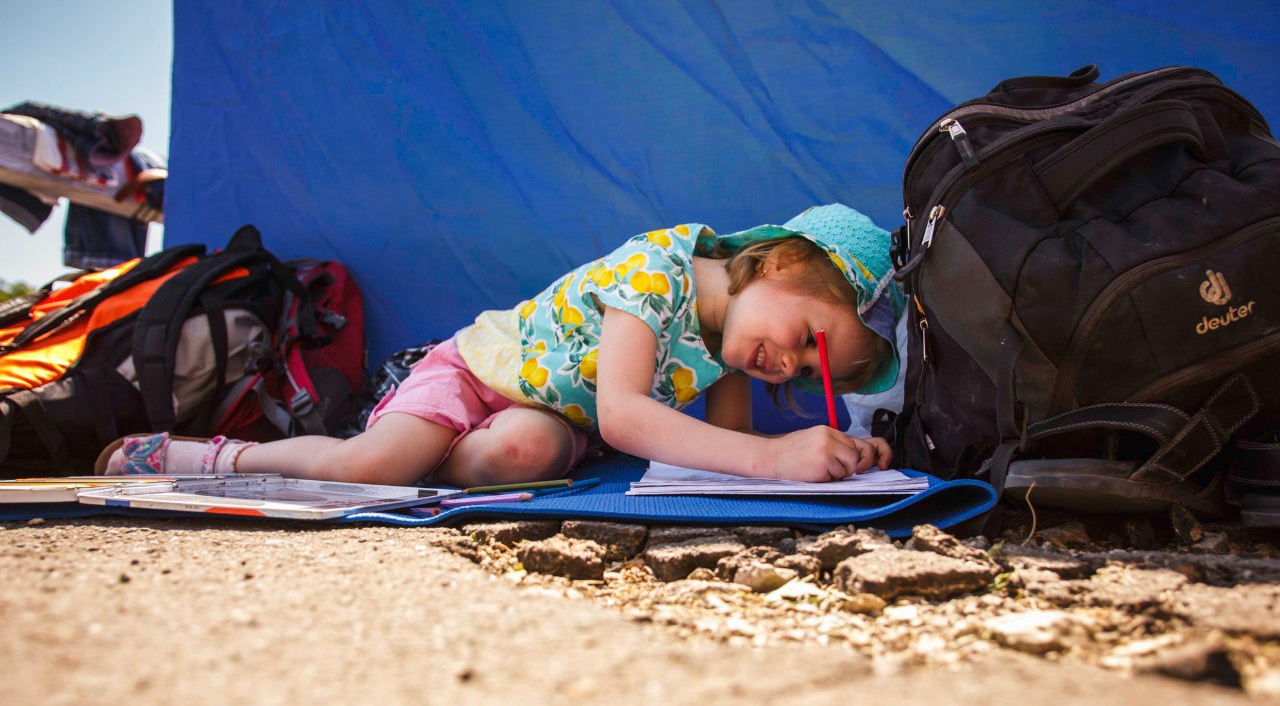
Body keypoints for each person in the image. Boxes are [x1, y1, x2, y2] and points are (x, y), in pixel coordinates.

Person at [97, 204, 905, 487]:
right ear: (781, 260)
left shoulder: (731, 349)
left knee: (526, 452)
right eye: (807, 340)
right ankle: (197, 458)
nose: (790, 366)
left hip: (542, 419)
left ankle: (429, 455)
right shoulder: (663, 270)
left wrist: (831, 452)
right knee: (368, 468)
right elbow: (625, 416)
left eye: (807, 371)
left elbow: (727, 455)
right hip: (477, 373)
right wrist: (773, 459)